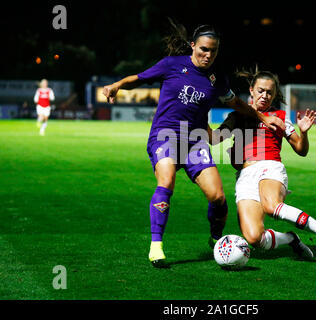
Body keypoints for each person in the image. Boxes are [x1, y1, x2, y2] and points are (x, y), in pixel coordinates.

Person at [102, 21, 285, 267]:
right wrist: (117, 86)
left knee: (218, 197)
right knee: (166, 181)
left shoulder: (216, 78)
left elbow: (236, 104)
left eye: (213, 51)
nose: (207, 55)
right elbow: (140, 78)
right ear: (193, 46)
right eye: (203, 49)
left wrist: (262, 116)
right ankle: (156, 246)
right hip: (165, 135)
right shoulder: (172, 65)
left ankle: (217, 240)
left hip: (195, 141)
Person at [209, 68, 316, 259]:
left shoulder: (281, 118)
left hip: (270, 167)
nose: (265, 95)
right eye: (261, 90)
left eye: (269, 92)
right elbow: (216, 138)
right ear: (251, 90)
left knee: (271, 206)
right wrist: (198, 121)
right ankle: (291, 239)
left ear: (274, 94)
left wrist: (304, 133)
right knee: (254, 238)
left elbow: (301, 150)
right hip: (245, 176)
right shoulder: (237, 116)